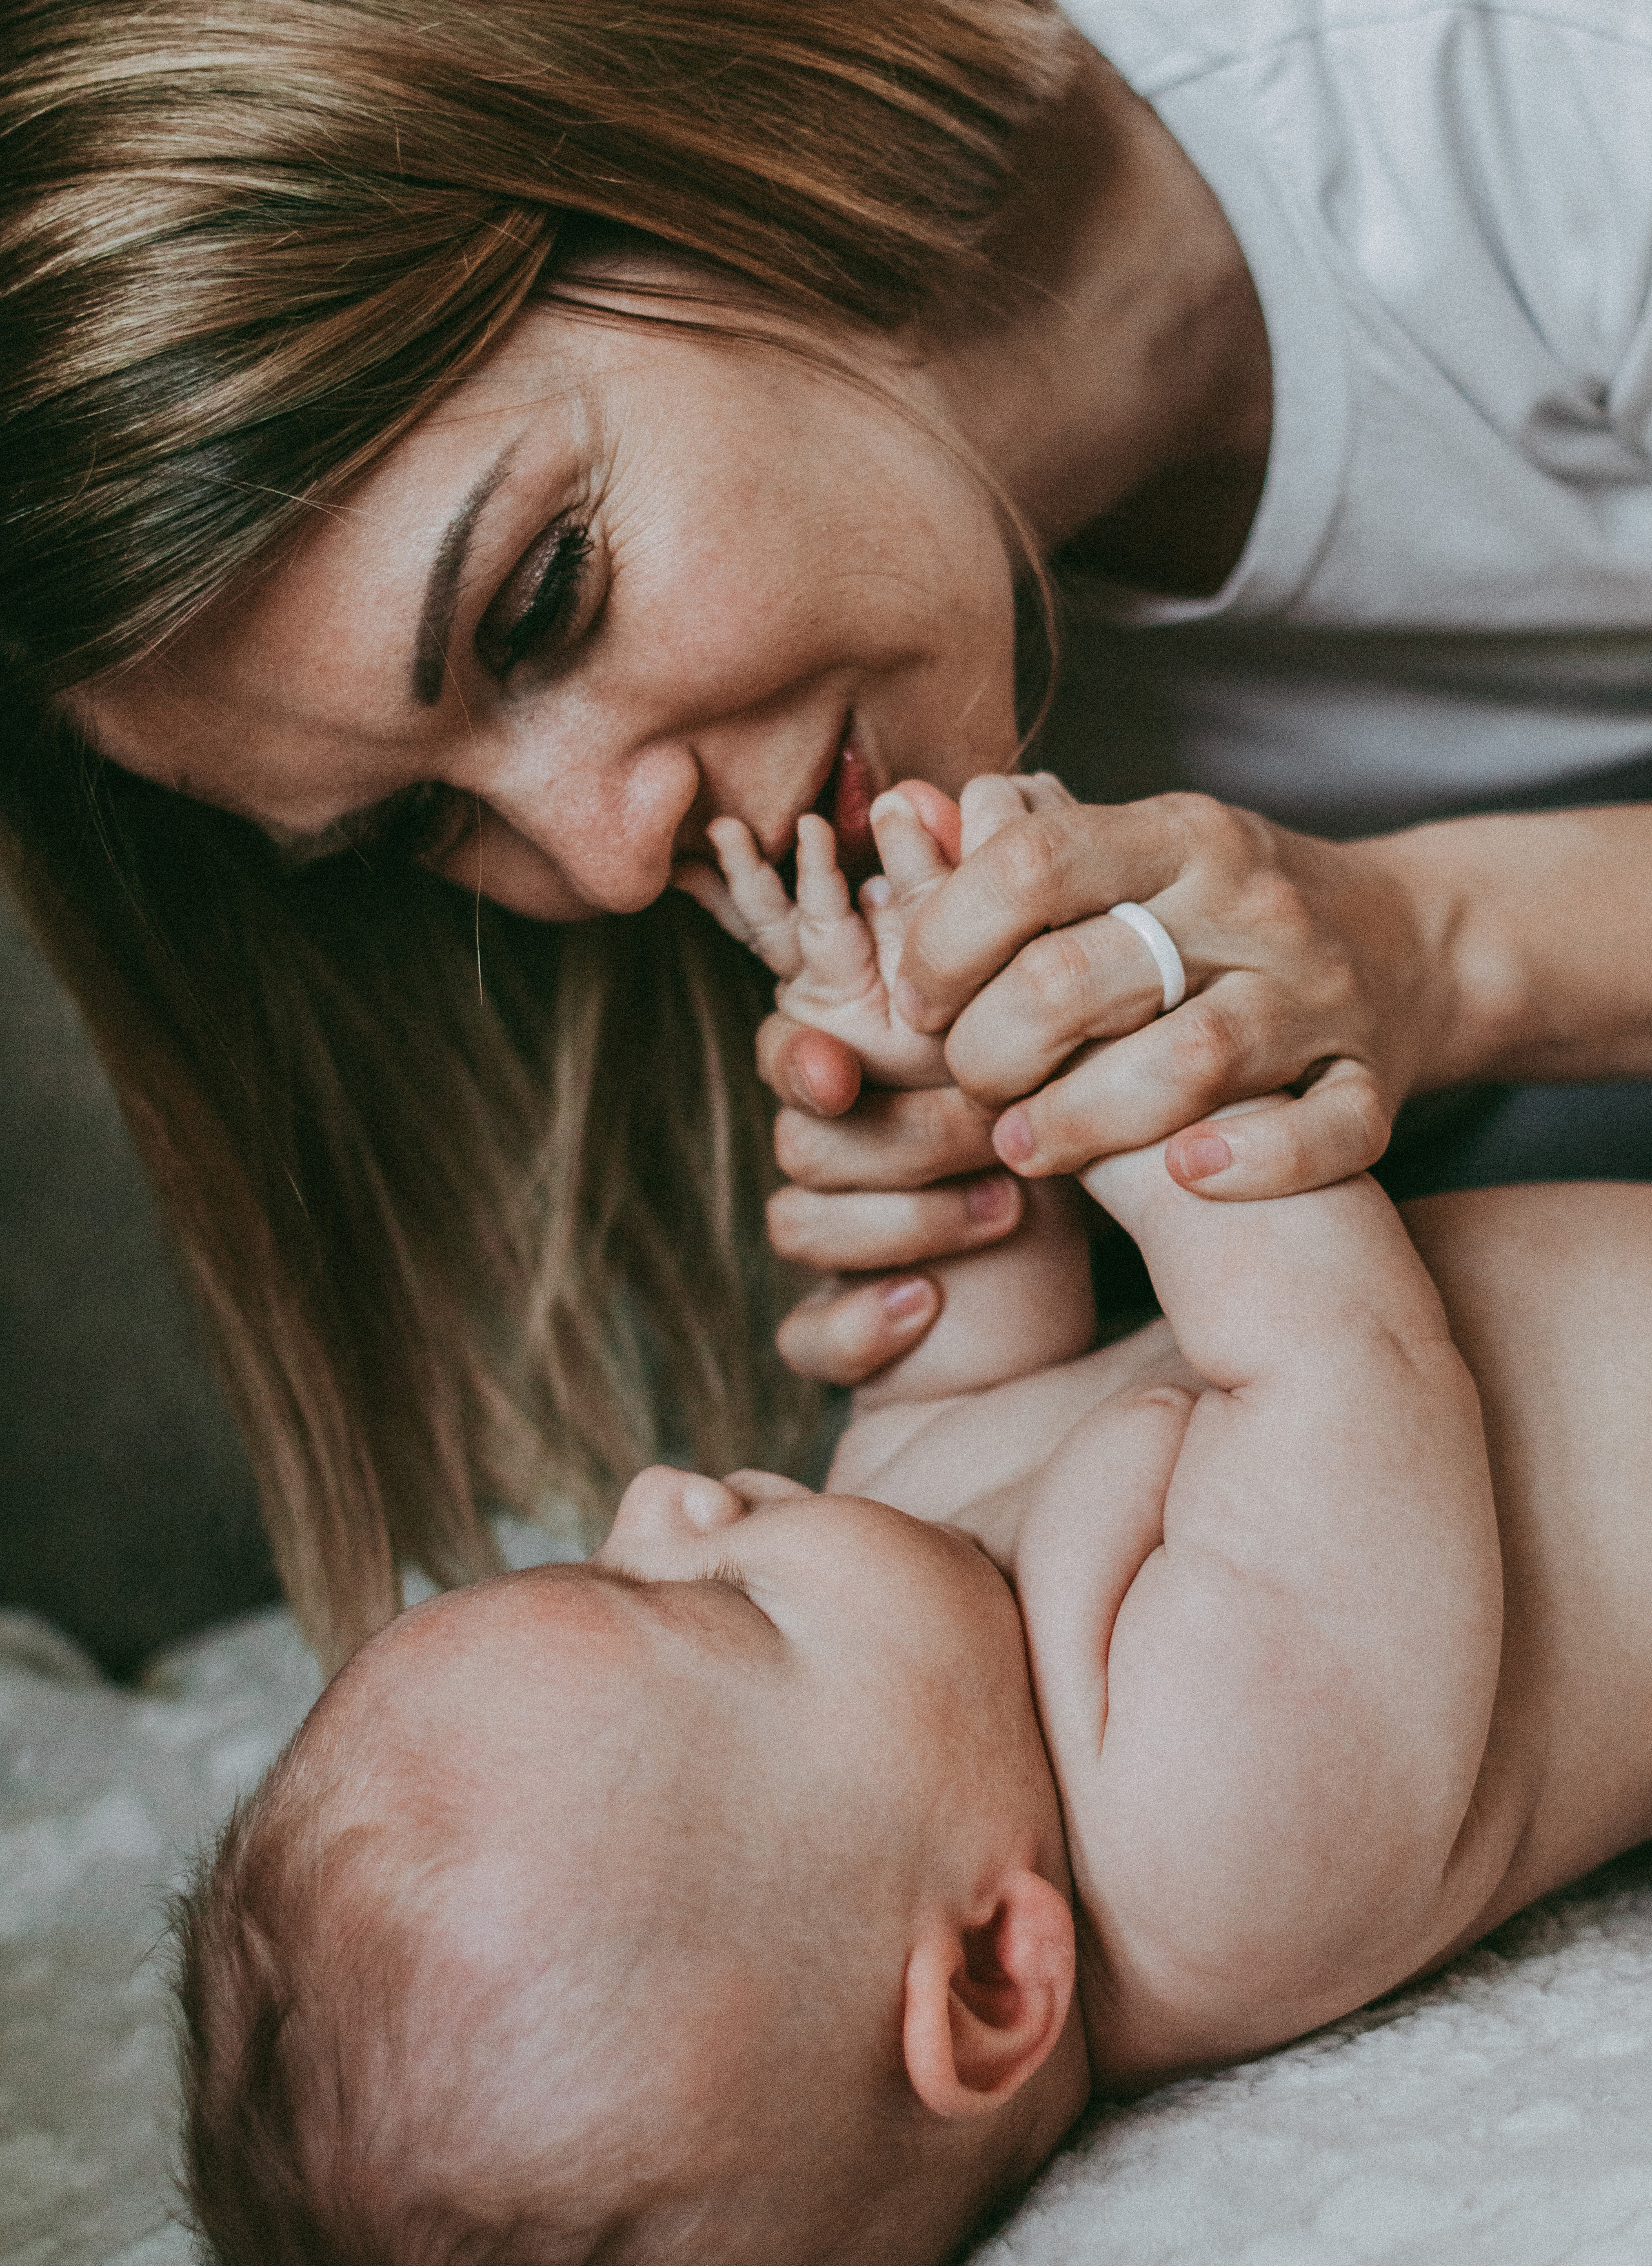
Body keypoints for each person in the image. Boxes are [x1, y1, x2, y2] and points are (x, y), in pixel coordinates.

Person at [6, 0, 1652, 1666]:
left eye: (540, 601)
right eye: (416, 829)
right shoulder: (864, 676)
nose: (611, 860)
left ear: (680, 156)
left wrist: (1441, 950)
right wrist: (1015, 1266)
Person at [173, 787, 1652, 2265]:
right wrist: (1114, 1043)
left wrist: (900, 1060)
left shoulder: (904, 1644)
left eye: (599, 1556)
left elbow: (978, 1329)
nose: (662, 1500)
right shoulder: (1214, 1850)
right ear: (994, 1977)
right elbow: (1339, 1354)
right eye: (710, 1607)